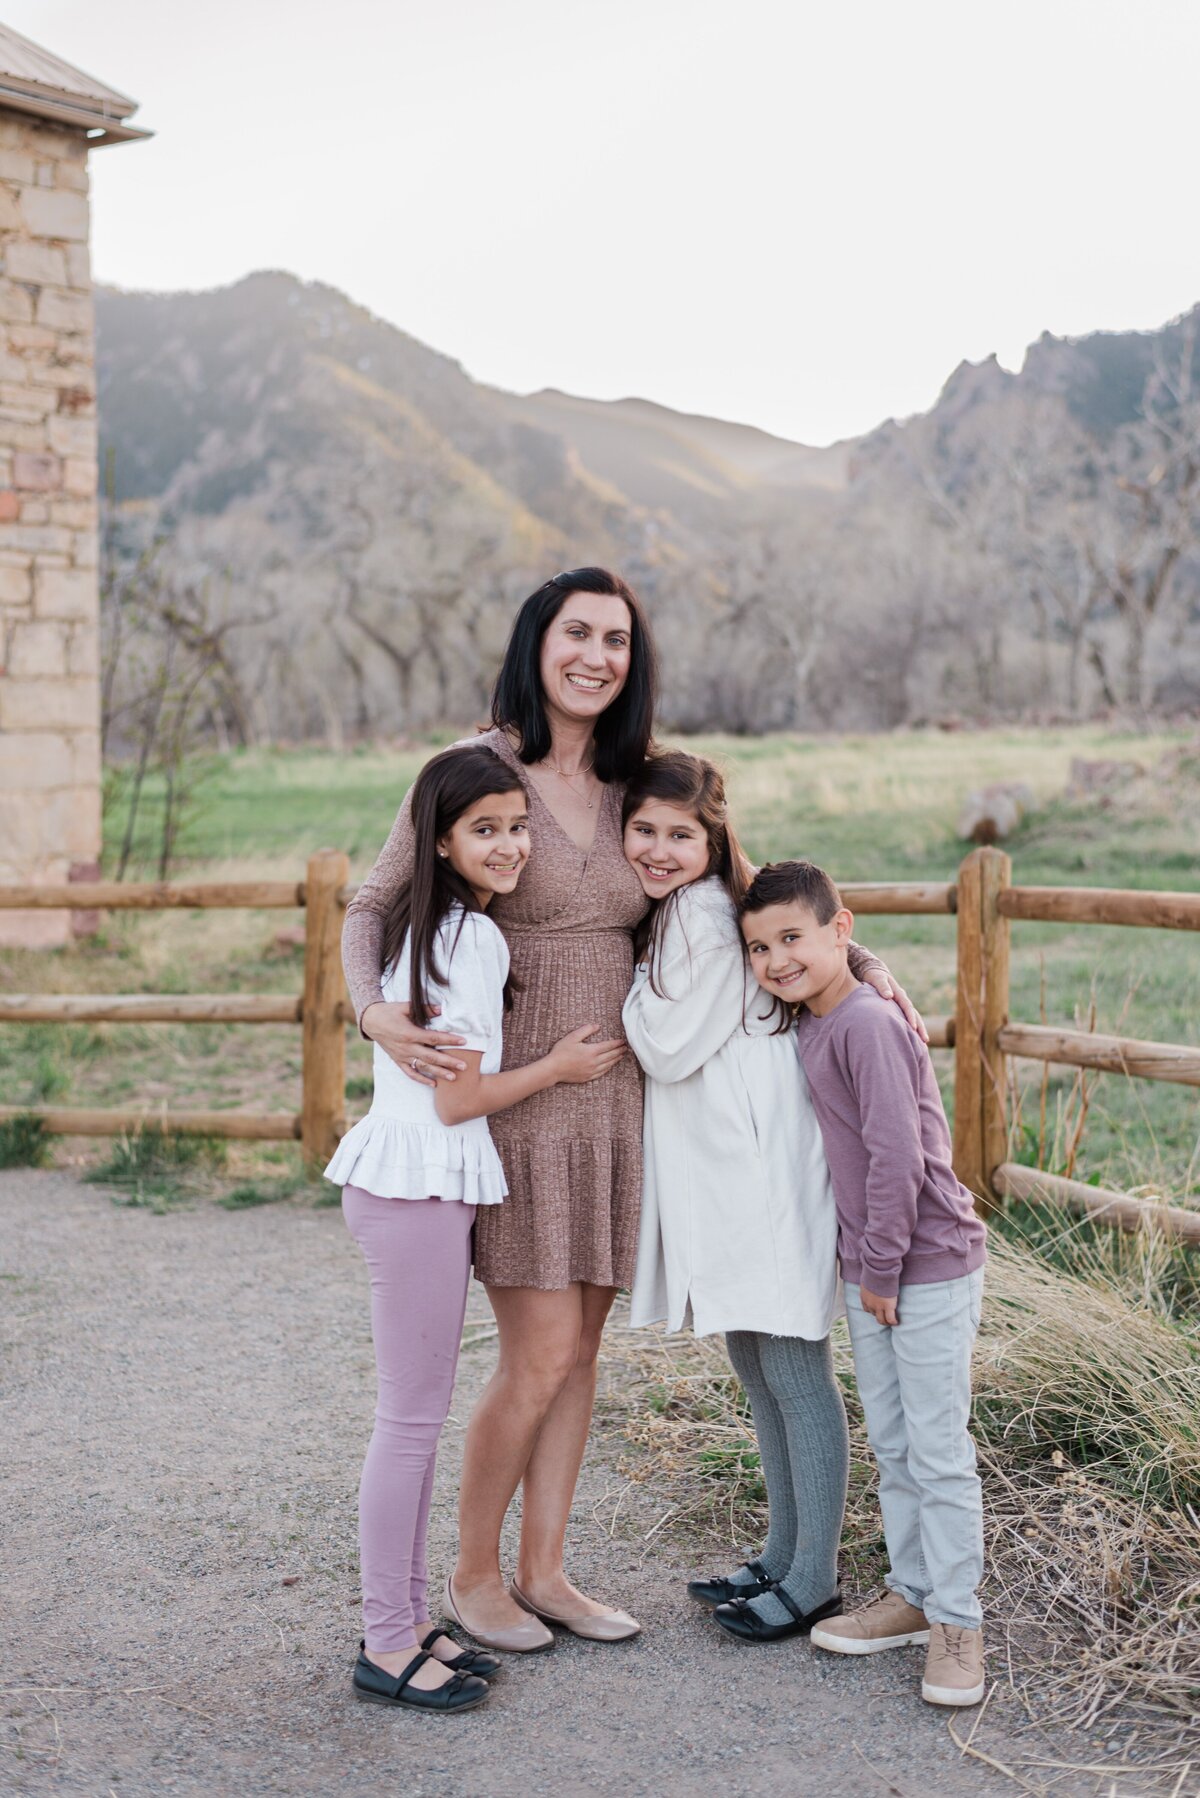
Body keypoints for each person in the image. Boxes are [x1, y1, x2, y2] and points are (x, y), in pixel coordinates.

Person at [327, 744, 621, 1711]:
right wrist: (558, 1070)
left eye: (518, 826)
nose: (510, 845)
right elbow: (460, 1102)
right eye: (485, 830)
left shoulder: (441, 930)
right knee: (408, 1423)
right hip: (417, 1187)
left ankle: (412, 1623)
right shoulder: (471, 940)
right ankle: (386, 1641)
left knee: (418, 1418)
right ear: (441, 843)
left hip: (419, 1188)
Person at [620, 750, 911, 1645]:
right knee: (758, 1366)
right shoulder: (688, 911)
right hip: (731, 1169)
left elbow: (664, 1047)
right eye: (645, 831)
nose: (662, 850)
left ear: (714, 840)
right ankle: (783, 1552)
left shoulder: (706, 918)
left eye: (683, 835)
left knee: (791, 1367)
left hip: (764, 1173)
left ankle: (814, 1577)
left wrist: (620, 989)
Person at [739, 860, 988, 1707]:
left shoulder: (867, 1026)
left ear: (840, 930)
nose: (776, 960)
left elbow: (900, 1158)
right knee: (894, 1444)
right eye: (759, 947)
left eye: (792, 939)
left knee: (939, 1450)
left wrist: (879, 1267)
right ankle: (914, 1595)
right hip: (871, 1267)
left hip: (923, 1262)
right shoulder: (813, 1019)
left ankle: (959, 1623)